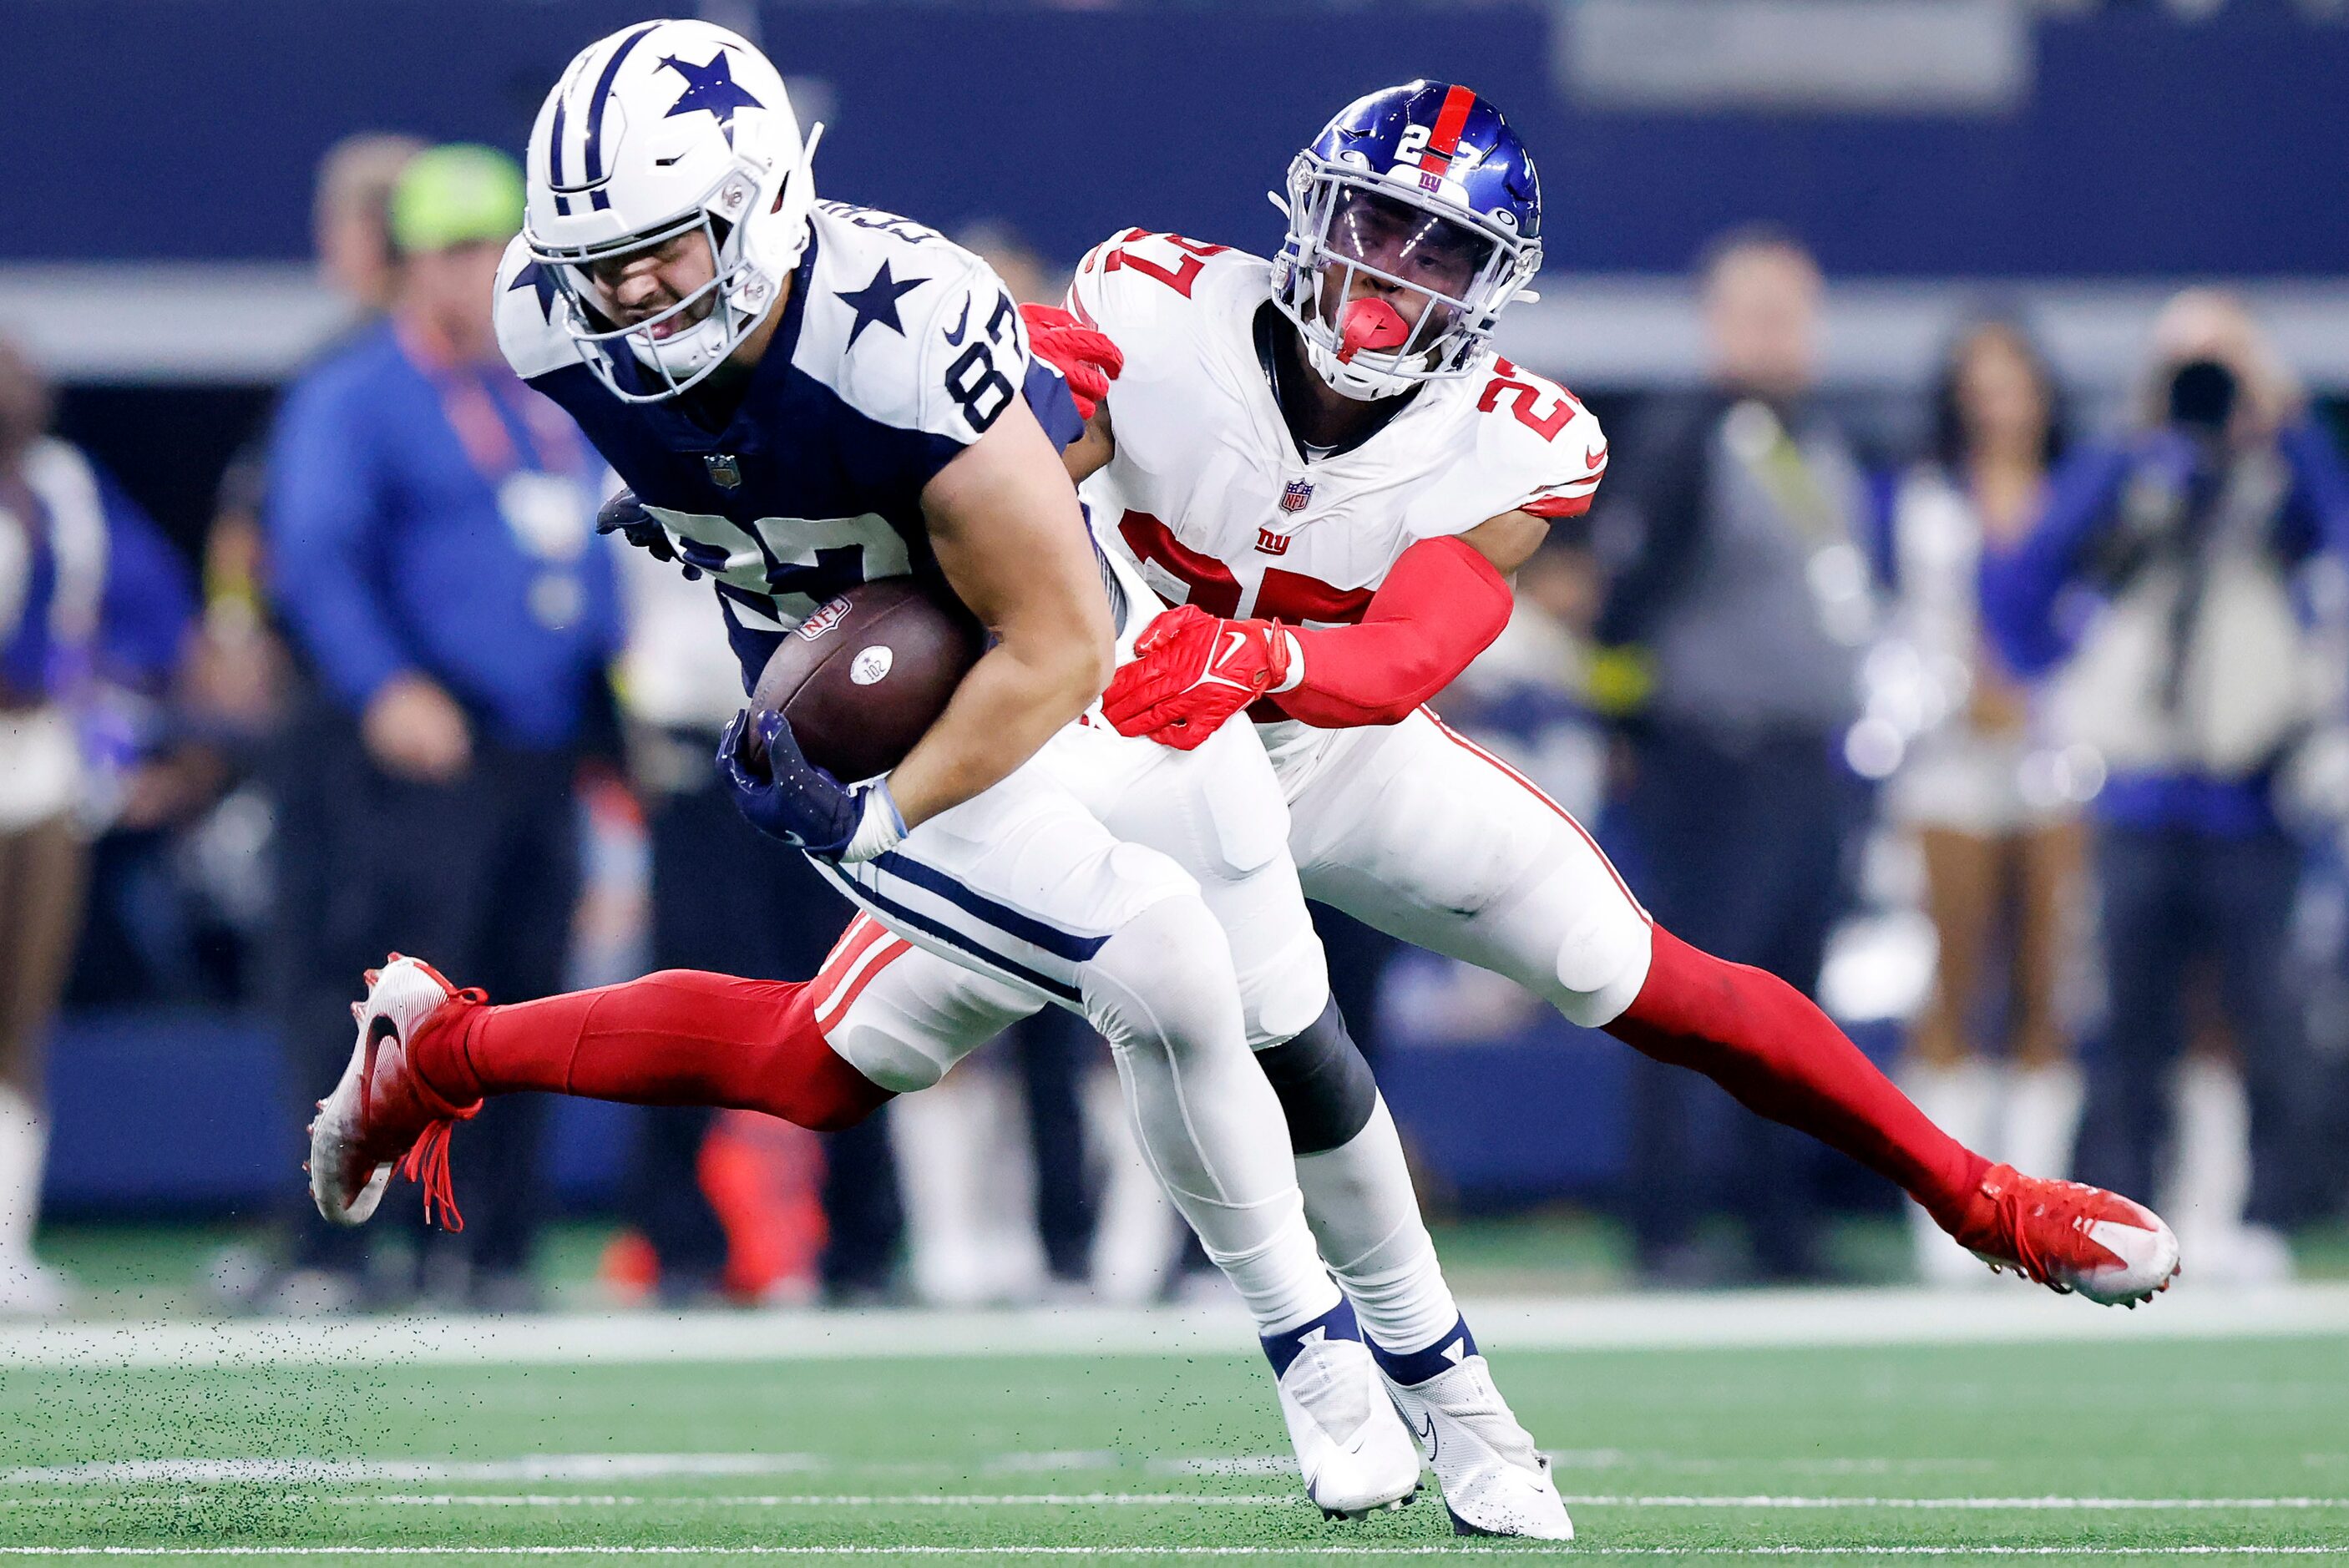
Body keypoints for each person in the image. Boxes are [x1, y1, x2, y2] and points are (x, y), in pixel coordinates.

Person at [306, 20, 1436, 1528]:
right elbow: (689, 445)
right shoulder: (542, 318)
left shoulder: (901, 332)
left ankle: (443, 1049)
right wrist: (710, 527)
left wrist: (885, 816)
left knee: (824, 1063)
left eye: (666, 249)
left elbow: (1058, 636)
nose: (631, 296)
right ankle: (1322, 1367)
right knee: (1157, 960)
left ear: (770, 203)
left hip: (1030, 684)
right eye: (602, 263)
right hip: (852, 724)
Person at [270, 144, 621, 1310]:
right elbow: (318, 558)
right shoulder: (359, 394)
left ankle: (492, 1246)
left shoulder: (549, 391)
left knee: (527, 999)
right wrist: (384, 686)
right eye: (454, 254)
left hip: (543, 738)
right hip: (428, 740)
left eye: (495, 253)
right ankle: (341, 1246)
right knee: (393, 1001)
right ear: (409, 266)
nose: (475, 278)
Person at [1983, 289, 2349, 1280]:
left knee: (2263, 1012)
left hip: (2252, 788)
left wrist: (2280, 427)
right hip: (2141, 789)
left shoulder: (2280, 473)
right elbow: (2019, 587)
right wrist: (2066, 683)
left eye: (2221, 364)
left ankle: (2260, 1211)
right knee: (2125, 1021)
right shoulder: (2124, 469)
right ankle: (2111, 1216)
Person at [1587, 227, 1872, 1283]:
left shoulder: (1821, 435)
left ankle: (1778, 1226)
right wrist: (1627, 735)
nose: (1776, 334)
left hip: (1810, 760)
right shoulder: (1683, 438)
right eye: (1754, 313)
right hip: (1716, 759)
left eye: (1792, 313)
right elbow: (1619, 607)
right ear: (1713, 324)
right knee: (1696, 995)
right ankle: (1663, 1224)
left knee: (1796, 999)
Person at [1876, 319, 2088, 1285]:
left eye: (2014, 386)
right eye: (1979, 387)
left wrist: (2047, 696)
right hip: (1948, 753)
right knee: (1951, 978)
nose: (1997, 406)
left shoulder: (2079, 497)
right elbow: (1897, 627)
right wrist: (1950, 693)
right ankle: (1949, 1215)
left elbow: (2097, 621)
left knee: (2049, 982)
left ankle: (2038, 1206)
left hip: (2059, 754)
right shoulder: (1922, 501)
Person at [0, 335, 200, 1314]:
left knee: (22, 1010)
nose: (21, 389)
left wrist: (125, 718)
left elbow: (152, 617)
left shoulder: (64, 486)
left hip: (37, 757)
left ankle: (5, 1243)